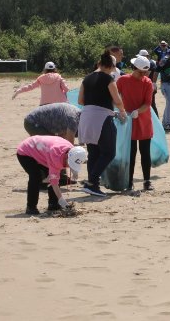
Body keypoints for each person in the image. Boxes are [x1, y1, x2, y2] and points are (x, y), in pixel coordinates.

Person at [77, 51, 127, 197]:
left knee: (94, 152)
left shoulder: (86, 78)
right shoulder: (108, 79)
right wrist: (122, 111)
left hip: (86, 117)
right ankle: (92, 182)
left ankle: (92, 185)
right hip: (102, 118)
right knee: (109, 152)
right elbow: (117, 100)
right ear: (111, 66)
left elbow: (80, 100)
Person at [16, 135, 86, 215]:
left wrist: (74, 171)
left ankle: (53, 204)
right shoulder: (56, 156)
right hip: (26, 151)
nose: (69, 165)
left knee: (51, 175)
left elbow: (72, 161)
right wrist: (61, 199)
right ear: (67, 156)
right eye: (70, 163)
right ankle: (31, 207)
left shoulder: (72, 150)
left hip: (43, 152)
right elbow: (54, 182)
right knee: (36, 177)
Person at [116, 55, 156, 191]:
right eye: (141, 72)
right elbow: (115, 96)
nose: (143, 75)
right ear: (134, 68)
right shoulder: (122, 80)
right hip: (128, 122)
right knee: (130, 153)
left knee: (145, 152)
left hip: (143, 120)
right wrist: (120, 111)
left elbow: (147, 103)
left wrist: (138, 111)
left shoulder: (148, 82)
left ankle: (147, 181)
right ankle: (129, 181)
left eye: (146, 72)